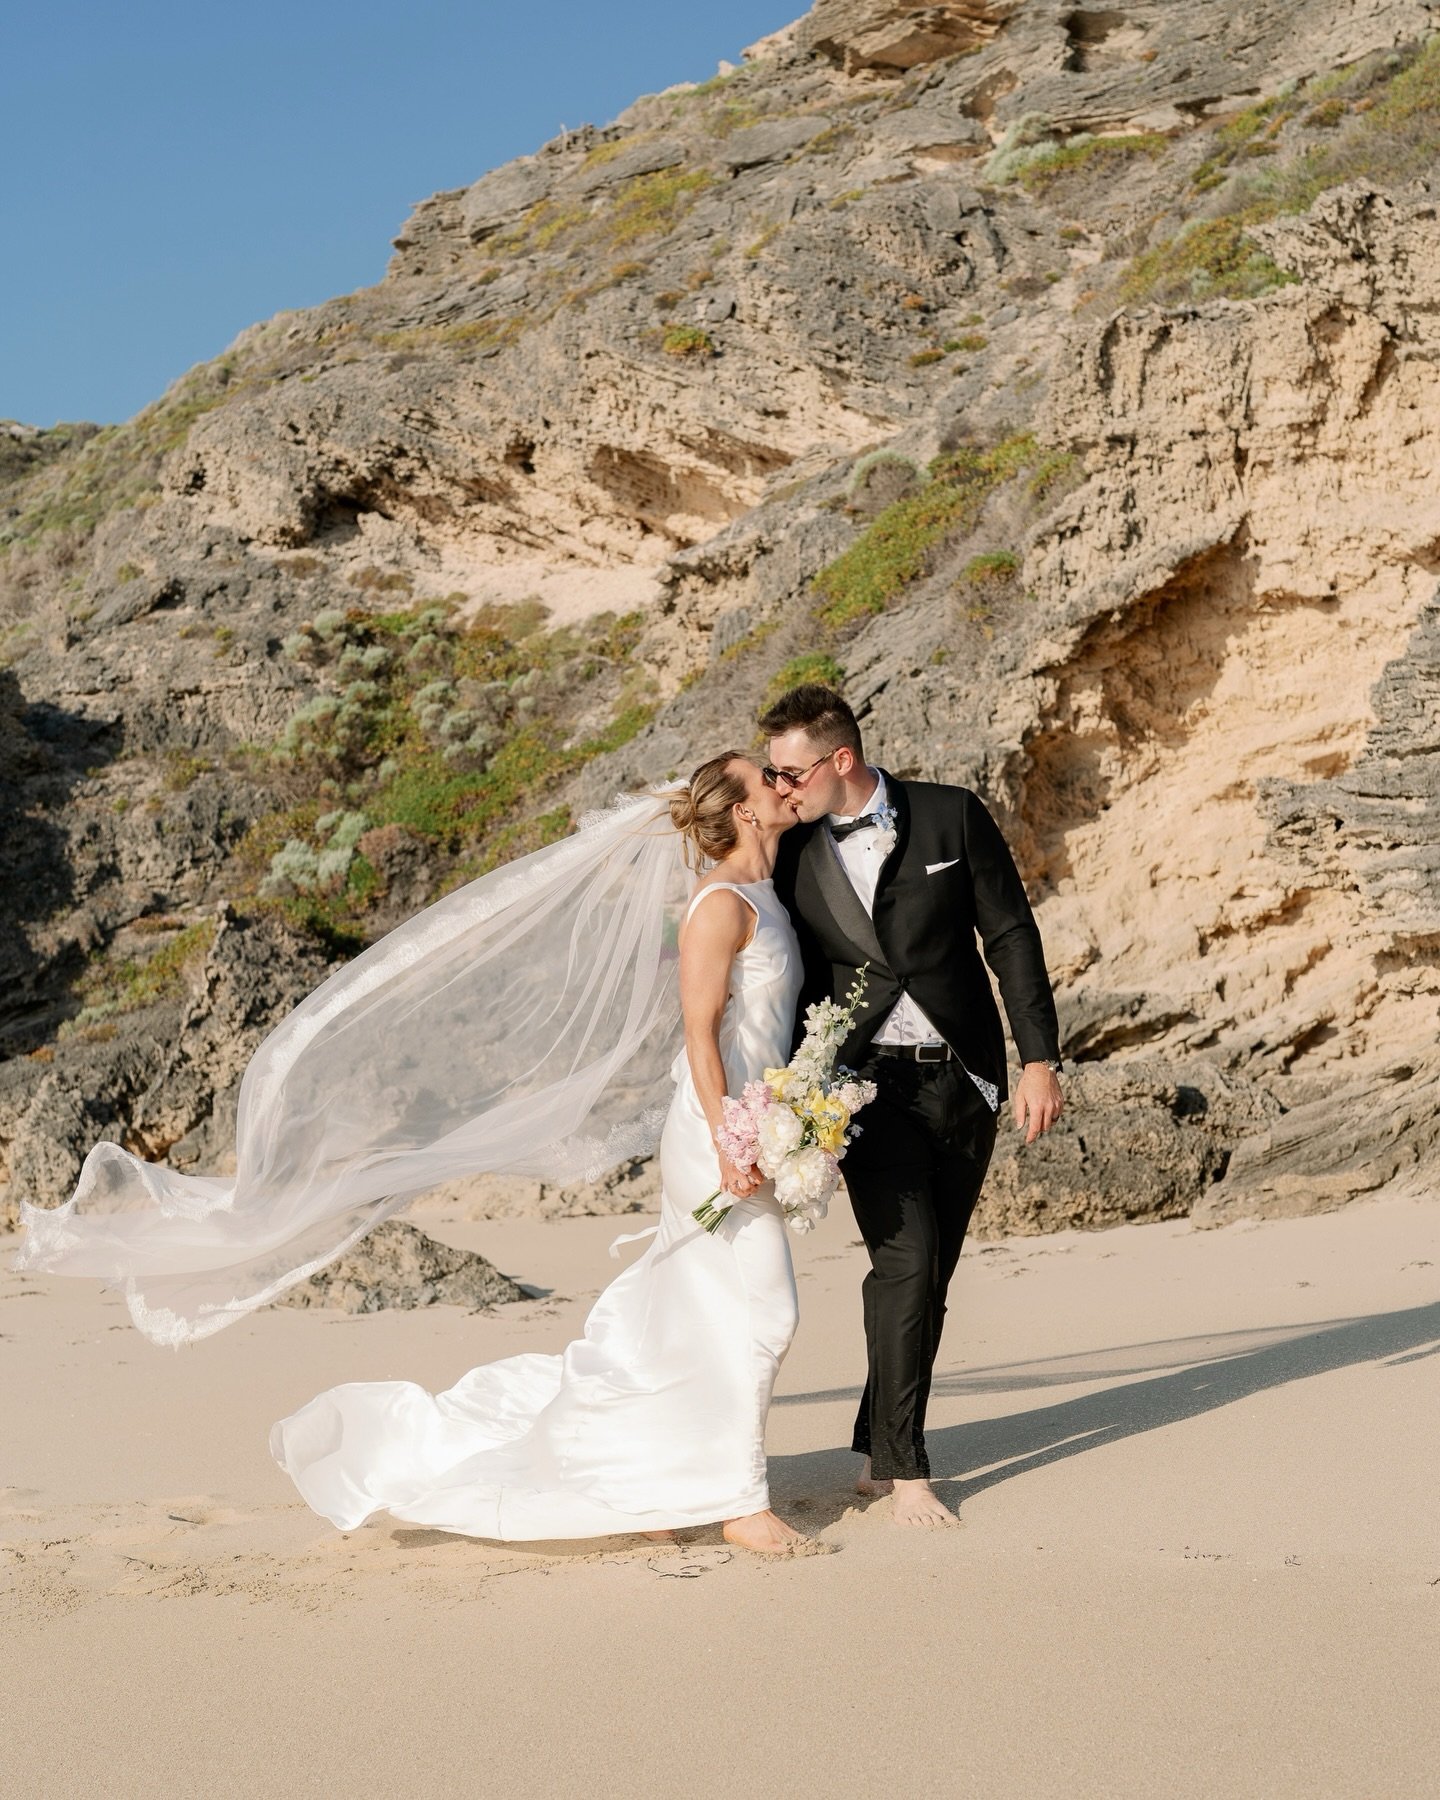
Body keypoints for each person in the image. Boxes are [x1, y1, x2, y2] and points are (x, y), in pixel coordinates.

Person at [268, 752, 811, 1553]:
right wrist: (730, 1139)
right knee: (768, 1312)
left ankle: (647, 1486)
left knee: (688, 1318)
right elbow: (699, 1035)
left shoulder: (768, 891)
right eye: (767, 777)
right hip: (715, 1135)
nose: (782, 782)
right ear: (742, 811)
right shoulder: (720, 904)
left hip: (753, 1127)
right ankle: (741, 1505)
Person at [765, 685, 1063, 1529]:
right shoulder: (791, 853)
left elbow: (1010, 933)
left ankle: (877, 1437)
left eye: (791, 773)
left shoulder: (950, 815)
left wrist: (1038, 1058)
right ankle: (905, 1471)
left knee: (933, 1276)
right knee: (906, 1263)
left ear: (841, 759)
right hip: (863, 1088)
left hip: (964, 1077)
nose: (782, 788)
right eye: (774, 775)